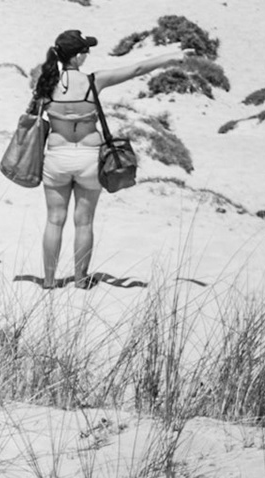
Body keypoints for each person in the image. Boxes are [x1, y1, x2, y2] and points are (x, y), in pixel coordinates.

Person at [32, 30, 188, 289]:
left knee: (54, 220)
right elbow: (137, 68)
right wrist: (172, 57)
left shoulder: (45, 82)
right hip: (89, 159)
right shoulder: (95, 81)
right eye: (85, 51)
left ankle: (48, 281)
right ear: (79, 56)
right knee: (84, 222)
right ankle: (81, 280)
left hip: (57, 157)